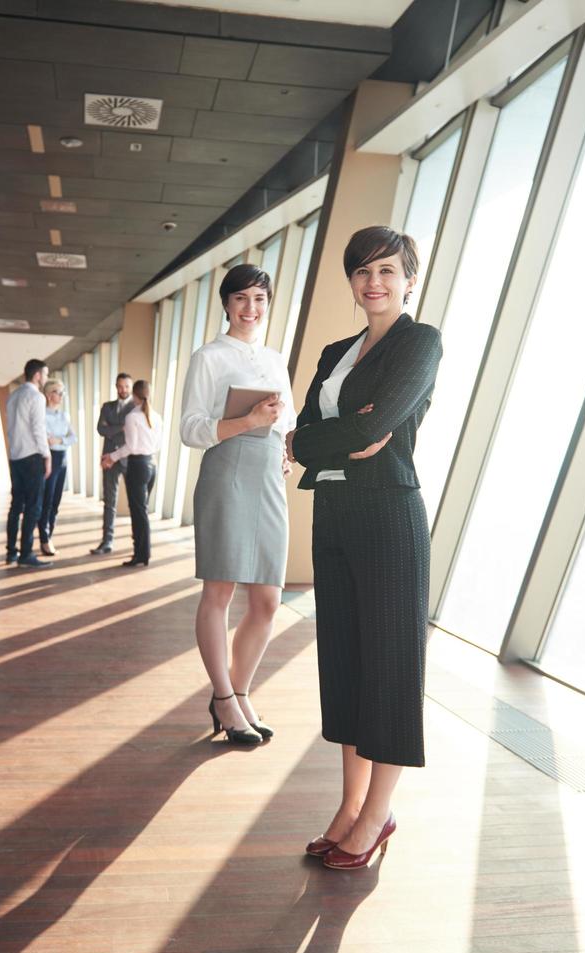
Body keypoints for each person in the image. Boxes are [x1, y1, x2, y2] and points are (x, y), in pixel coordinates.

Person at [287, 226, 442, 870]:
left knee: (390, 669)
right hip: (336, 513)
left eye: (386, 270)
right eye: (362, 272)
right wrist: (333, 438)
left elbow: (374, 429)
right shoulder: (335, 351)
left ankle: (378, 815)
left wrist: (340, 436)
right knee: (346, 664)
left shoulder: (420, 343)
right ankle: (349, 808)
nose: (373, 282)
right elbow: (302, 433)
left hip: (388, 516)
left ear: (409, 278)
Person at [179, 264, 295, 747]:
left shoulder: (275, 358)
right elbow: (190, 429)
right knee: (221, 592)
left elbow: (283, 416)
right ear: (226, 303)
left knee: (267, 598)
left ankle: (241, 690)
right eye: (242, 298)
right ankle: (224, 699)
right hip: (227, 471)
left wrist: (286, 451)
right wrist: (247, 421)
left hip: (269, 473)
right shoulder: (209, 356)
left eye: (260, 300)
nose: (251, 308)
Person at [101, 380, 160, 568]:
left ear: (135, 395)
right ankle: (143, 553)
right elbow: (157, 445)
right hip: (151, 465)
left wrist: (112, 456)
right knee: (142, 511)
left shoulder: (132, 416)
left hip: (137, 466)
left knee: (138, 512)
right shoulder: (157, 416)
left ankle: (140, 555)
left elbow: (131, 447)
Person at [4, 359, 54, 570]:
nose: (46, 378)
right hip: (32, 457)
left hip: (15, 457)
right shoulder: (36, 397)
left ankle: (11, 553)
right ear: (37, 375)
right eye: (45, 374)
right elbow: (38, 429)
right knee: (33, 507)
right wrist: (47, 455)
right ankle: (26, 554)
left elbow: (12, 428)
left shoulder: (14, 395)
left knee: (16, 506)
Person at [91, 373, 135, 555]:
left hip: (129, 458)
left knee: (135, 503)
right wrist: (121, 427)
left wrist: (112, 429)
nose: (122, 390)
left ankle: (137, 543)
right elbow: (101, 429)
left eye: (126, 386)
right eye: (119, 386)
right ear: (116, 386)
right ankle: (107, 541)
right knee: (109, 502)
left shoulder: (137, 408)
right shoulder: (107, 407)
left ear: (131, 387)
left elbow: (132, 431)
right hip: (108, 459)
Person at [37, 379, 76, 556]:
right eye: (57, 392)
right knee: (47, 500)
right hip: (49, 459)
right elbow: (46, 440)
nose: (61, 396)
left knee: (56, 502)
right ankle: (44, 539)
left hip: (62, 460)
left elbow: (73, 438)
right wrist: (60, 440)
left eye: (62, 393)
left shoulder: (64, 415)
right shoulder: (41, 415)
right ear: (48, 395)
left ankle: (48, 536)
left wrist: (59, 440)